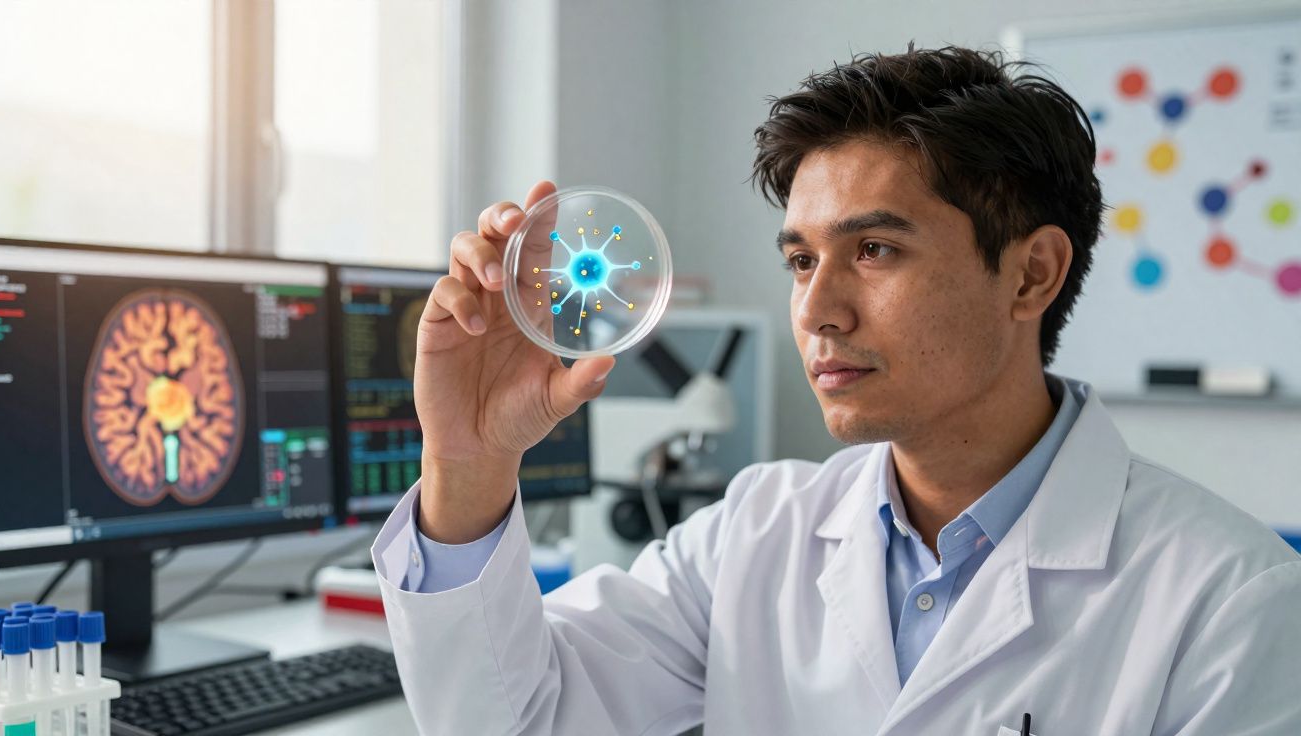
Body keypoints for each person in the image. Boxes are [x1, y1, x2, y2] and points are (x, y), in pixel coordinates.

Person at [371, 46, 1301, 735]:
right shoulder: (754, 534)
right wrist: (470, 460)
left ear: (1031, 276)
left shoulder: (1234, 600)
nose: (818, 309)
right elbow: (515, 723)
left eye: (875, 250)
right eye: (801, 259)